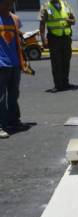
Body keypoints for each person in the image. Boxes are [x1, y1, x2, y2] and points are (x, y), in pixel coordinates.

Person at [0, 0, 30, 138]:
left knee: (13, 95)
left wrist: (22, 62)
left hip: (14, 63)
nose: (9, 6)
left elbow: (17, 40)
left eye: (10, 3)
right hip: (1, 65)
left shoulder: (14, 19)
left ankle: (13, 121)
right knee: (1, 97)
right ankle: (1, 125)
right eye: (6, 3)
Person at [39, 0, 78, 93]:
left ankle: (65, 83)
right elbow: (42, 24)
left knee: (66, 60)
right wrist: (43, 39)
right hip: (54, 38)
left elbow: (74, 20)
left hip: (66, 37)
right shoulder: (45, 7)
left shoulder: (65, 4)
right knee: (56, 62)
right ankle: (58, 85)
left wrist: (71, 21)